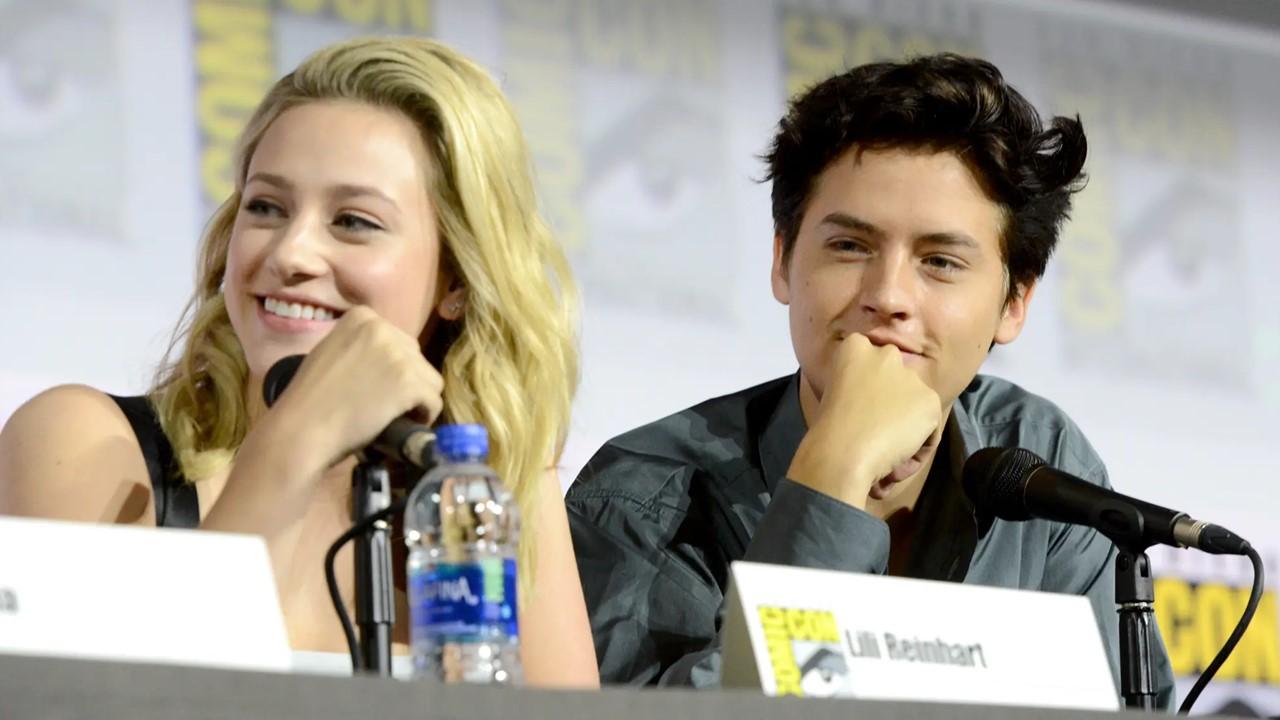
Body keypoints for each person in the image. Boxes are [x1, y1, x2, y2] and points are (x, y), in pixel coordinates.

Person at [565, 53, 1174, 704]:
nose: (888, 296)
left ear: (1015, 302)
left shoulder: (1039, 458)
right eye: (850, 247)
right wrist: (834, 470)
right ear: (782, 261)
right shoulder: (638, 495)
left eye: (939, 262)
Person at [0, 37, 599, 688]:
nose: (291, 252)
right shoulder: (80, 440)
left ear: (456, 279)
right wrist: (294, 440)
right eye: (266, 207)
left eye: (352, 221)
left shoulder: (484, 478)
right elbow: (105, 705)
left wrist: (505, 469)